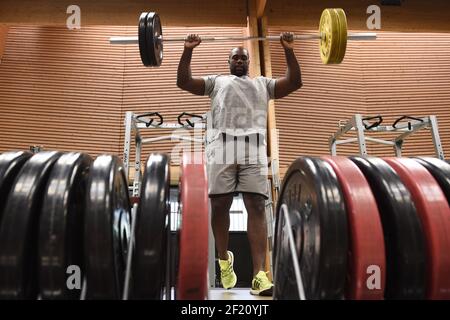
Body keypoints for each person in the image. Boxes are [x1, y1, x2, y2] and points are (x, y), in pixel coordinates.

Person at [177, 32, 302, 296]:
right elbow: (184, 81)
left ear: (248, 63)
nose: (240, 60)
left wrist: (288, 50)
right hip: (221, 147)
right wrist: (188, 50)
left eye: (243, 57)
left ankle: (259, 275)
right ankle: (224, 259)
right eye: (235, 57)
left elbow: (294, 83)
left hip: (254, 148)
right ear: (228, 62)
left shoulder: (263, 84)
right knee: (220, 204)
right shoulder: (216, 82)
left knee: (256, 204)